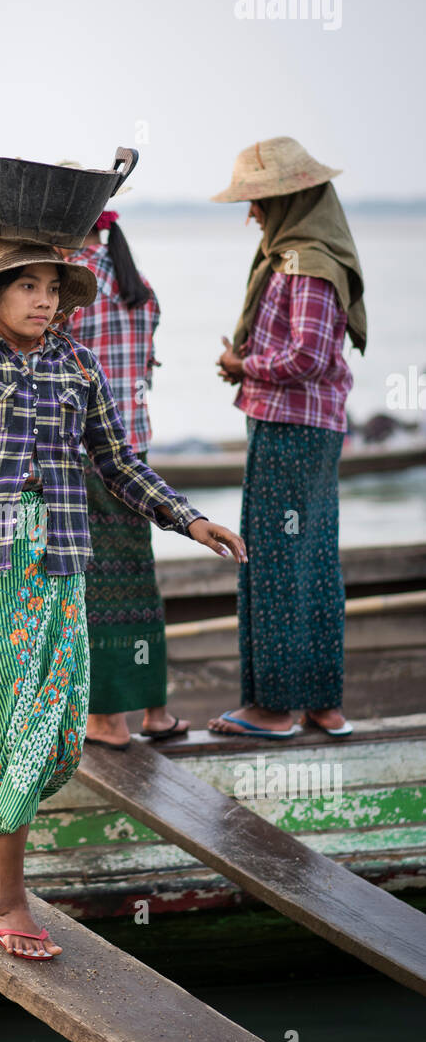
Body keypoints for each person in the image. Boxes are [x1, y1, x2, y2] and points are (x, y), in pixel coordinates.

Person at [0, 143, 247, 960]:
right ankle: (10, 900)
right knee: (15, 723)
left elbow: (117, 464)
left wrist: (188, 520)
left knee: (60, 737)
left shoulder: (79, 369)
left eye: (53, 287)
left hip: (59, 562)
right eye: (27, 285)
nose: (45, 300)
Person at [208, 137, 366, 739]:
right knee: (313, 559)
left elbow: (308, 355)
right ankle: (323, 703)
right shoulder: (303, 256)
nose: (252, 214)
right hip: (308, 430)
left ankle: (274, 709)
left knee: (276, 559)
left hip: (291, 430)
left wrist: (242, 365)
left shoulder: (307, 262)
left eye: (259, 202)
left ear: (289, 202)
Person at [61, 206, 187, 747]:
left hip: (91, 454)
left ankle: (107, 721)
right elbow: (145, 368)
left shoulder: (70, 286)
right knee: (137, 582)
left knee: (94, 588)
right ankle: (156, 713)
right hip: (136, 450)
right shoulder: (141, 288)